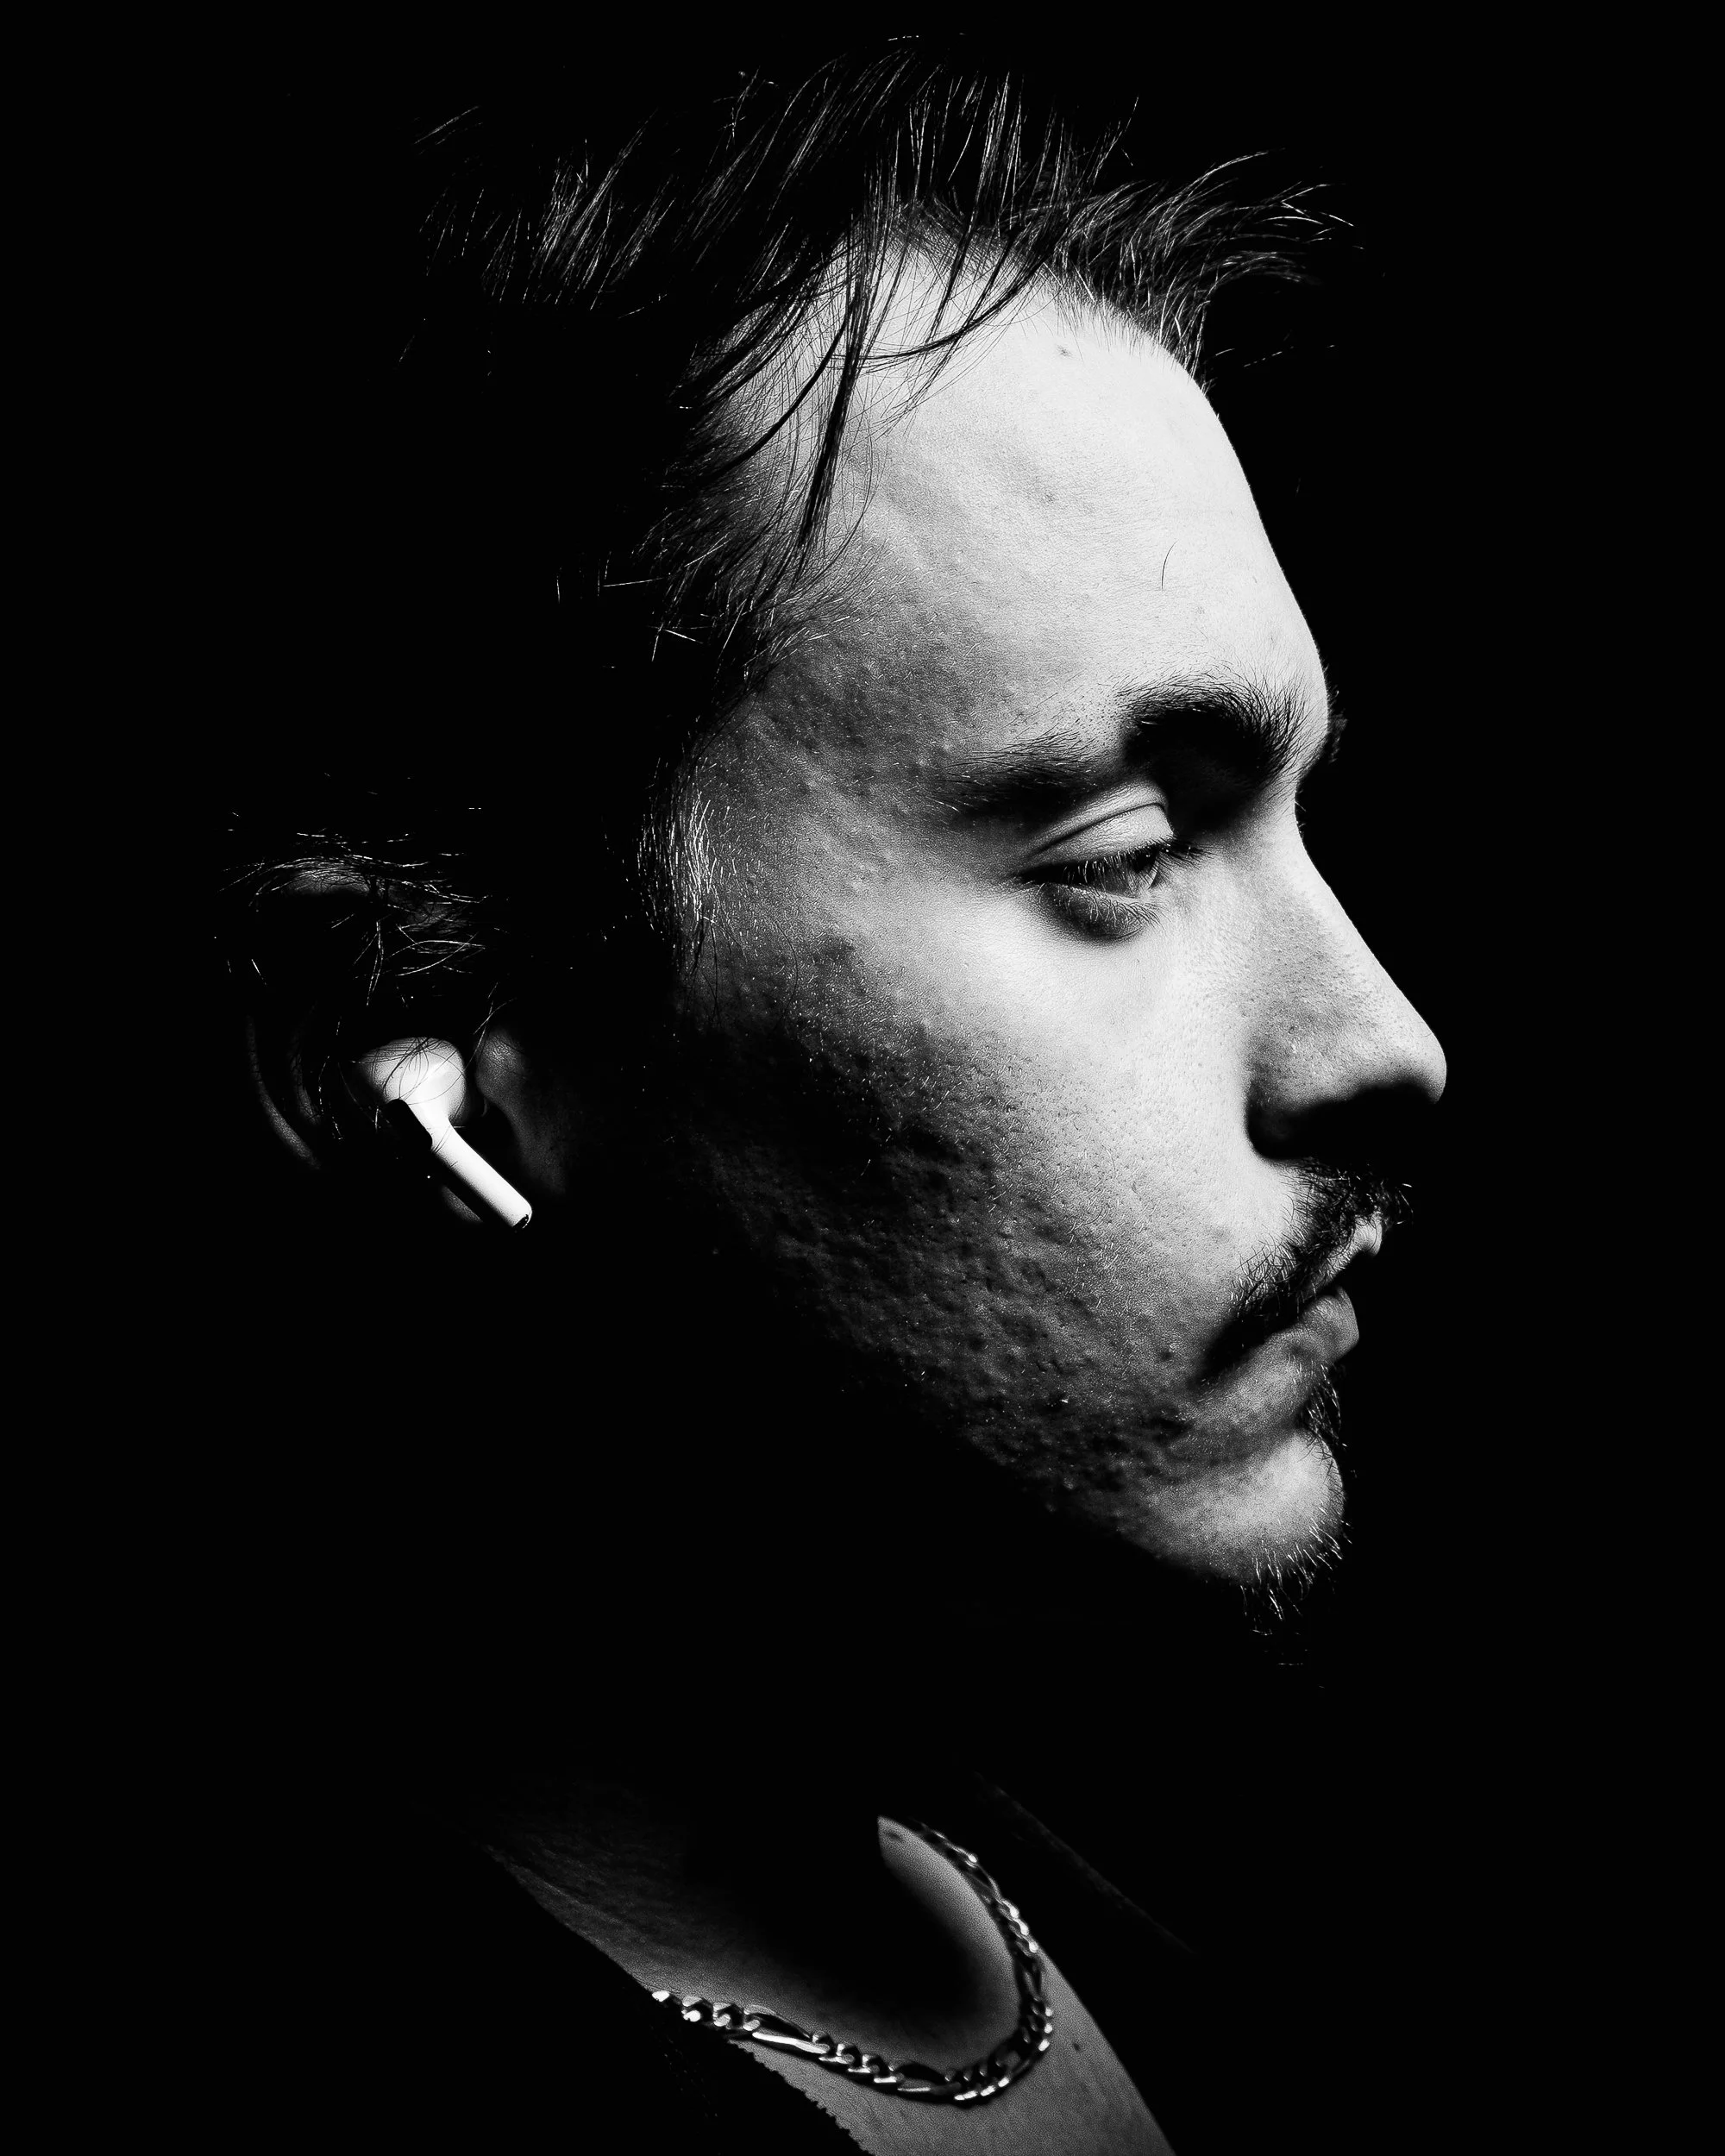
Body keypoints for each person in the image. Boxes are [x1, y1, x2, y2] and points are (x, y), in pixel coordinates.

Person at [218, 46, 1445, 2154]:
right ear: (430, 1053)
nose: (1385, 1042)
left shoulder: (1216, 1925)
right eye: (1126, 849)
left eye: (1301, 816)